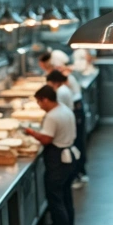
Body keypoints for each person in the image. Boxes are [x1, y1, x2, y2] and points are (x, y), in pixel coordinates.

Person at [24, 85, 79, 225]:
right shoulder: (64, 109)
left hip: (58, 160)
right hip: (70, 157)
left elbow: (47, 139)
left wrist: (31, 132)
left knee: (55, 198)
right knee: (65, 197)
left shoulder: (52, 116)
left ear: (46, 100)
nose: (39, 106)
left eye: (39, 102)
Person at [40, 53, 89, 188]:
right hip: (74, 113)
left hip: (75, 114)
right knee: (78, 144)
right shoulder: (64, 84)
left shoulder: (61, 92)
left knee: (77, 144)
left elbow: (57, 109)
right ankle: (79, 173)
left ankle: (78, 175)